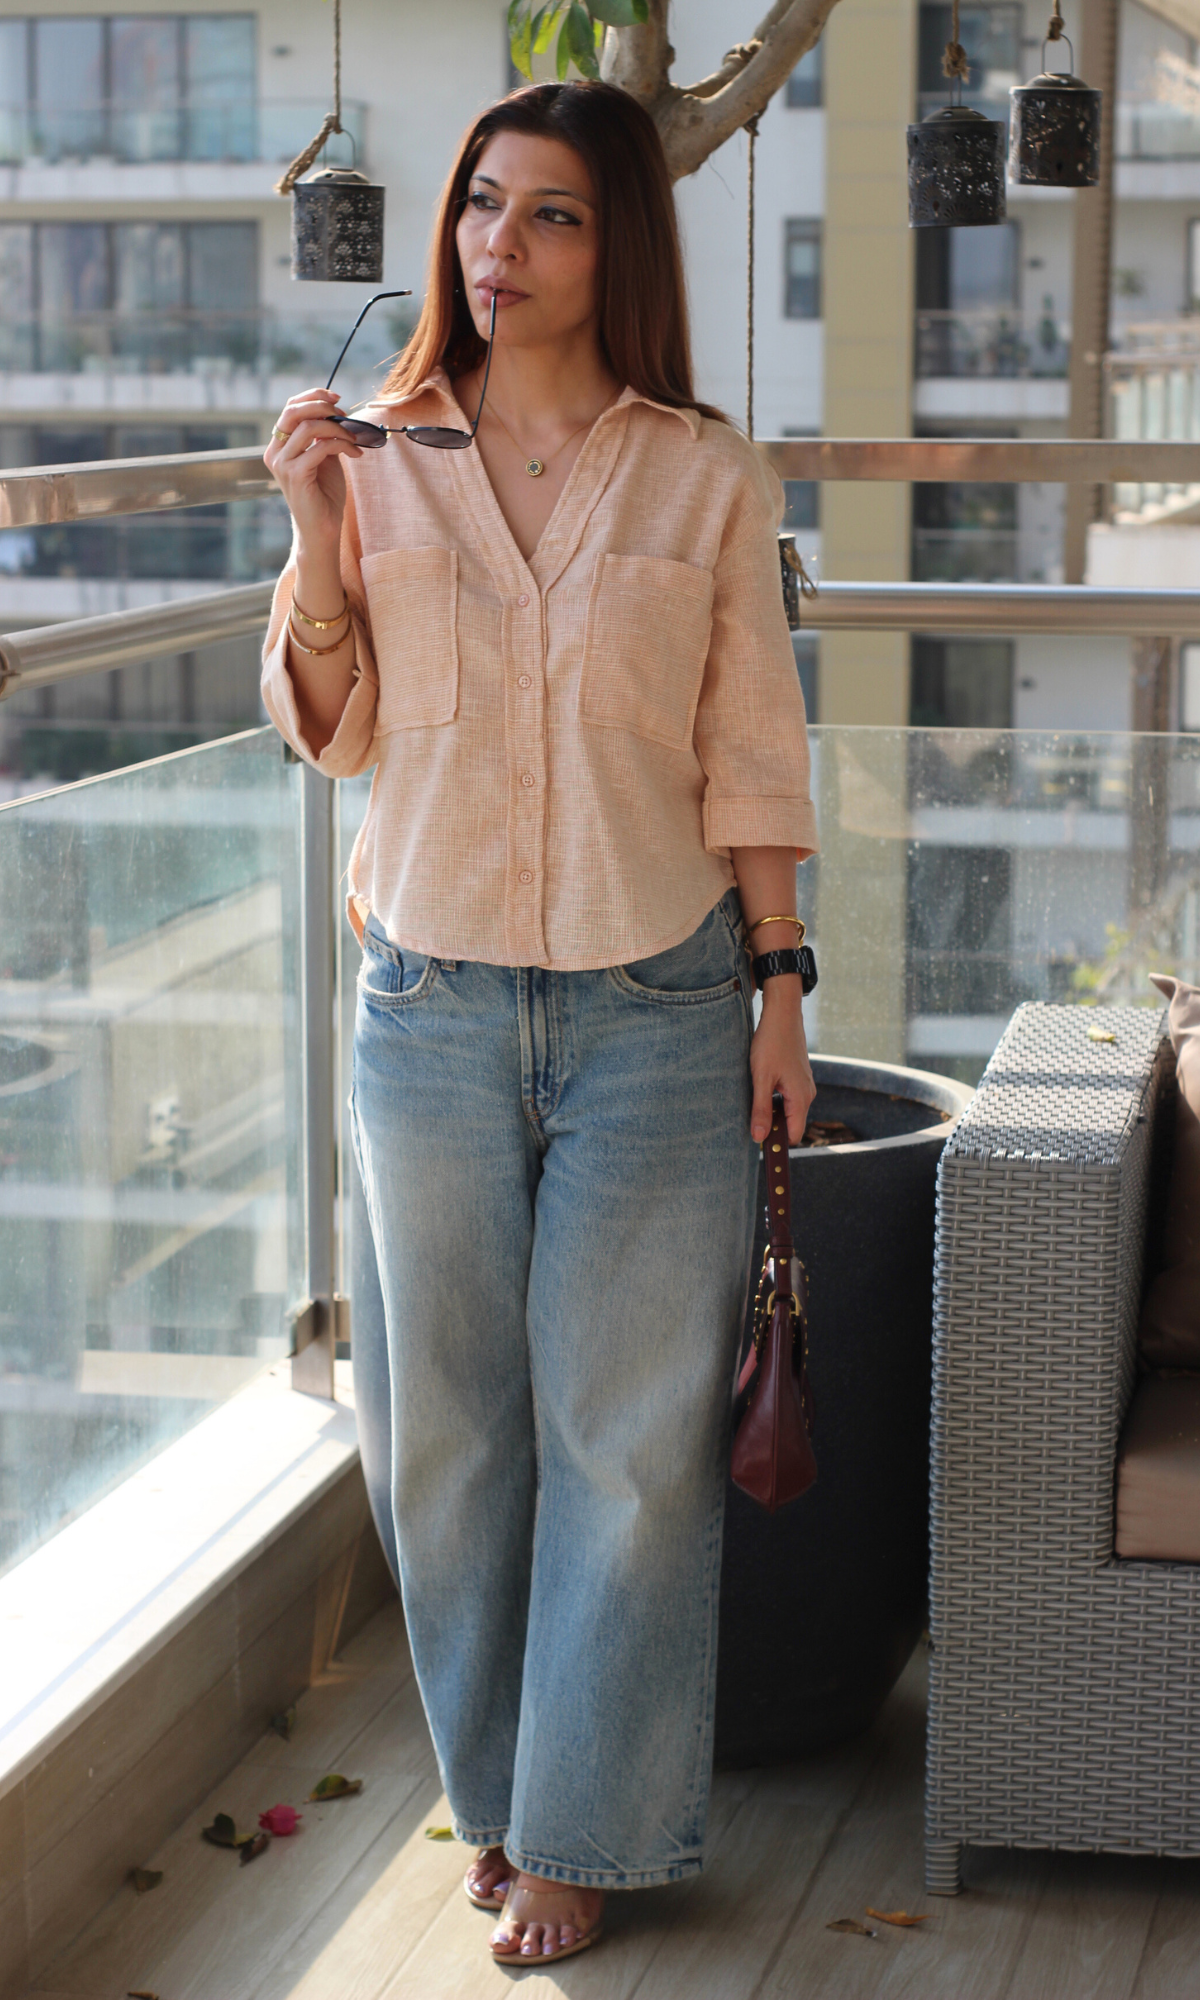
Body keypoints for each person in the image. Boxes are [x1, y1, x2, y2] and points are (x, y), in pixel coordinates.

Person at [261, 77, 818, 1970]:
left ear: (618, 244)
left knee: (631, 1444)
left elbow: (752, 752)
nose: (503, 244)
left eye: (554, 213)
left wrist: (781, 992)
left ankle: (581, 1831)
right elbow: (324, 724)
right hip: (423, 1004)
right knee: (448, 1440)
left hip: (660, 1005)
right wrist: (322, 532)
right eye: (486, 206)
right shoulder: (379, 452)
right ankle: (500, 1803)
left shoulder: (703, 476)